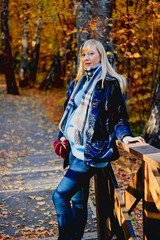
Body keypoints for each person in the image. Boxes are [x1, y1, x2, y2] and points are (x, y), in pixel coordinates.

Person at [52, 39, 144, 240]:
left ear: (101, 56)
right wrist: (62, 137)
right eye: (84, 54)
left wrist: (126, 136)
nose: (86, 58)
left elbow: (118, 116)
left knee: (59, 196)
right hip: (74, 151)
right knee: (77, 202)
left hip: (92, 153)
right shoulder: (76, 83)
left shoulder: (108, 84)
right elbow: (70, 114)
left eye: (91, 53)